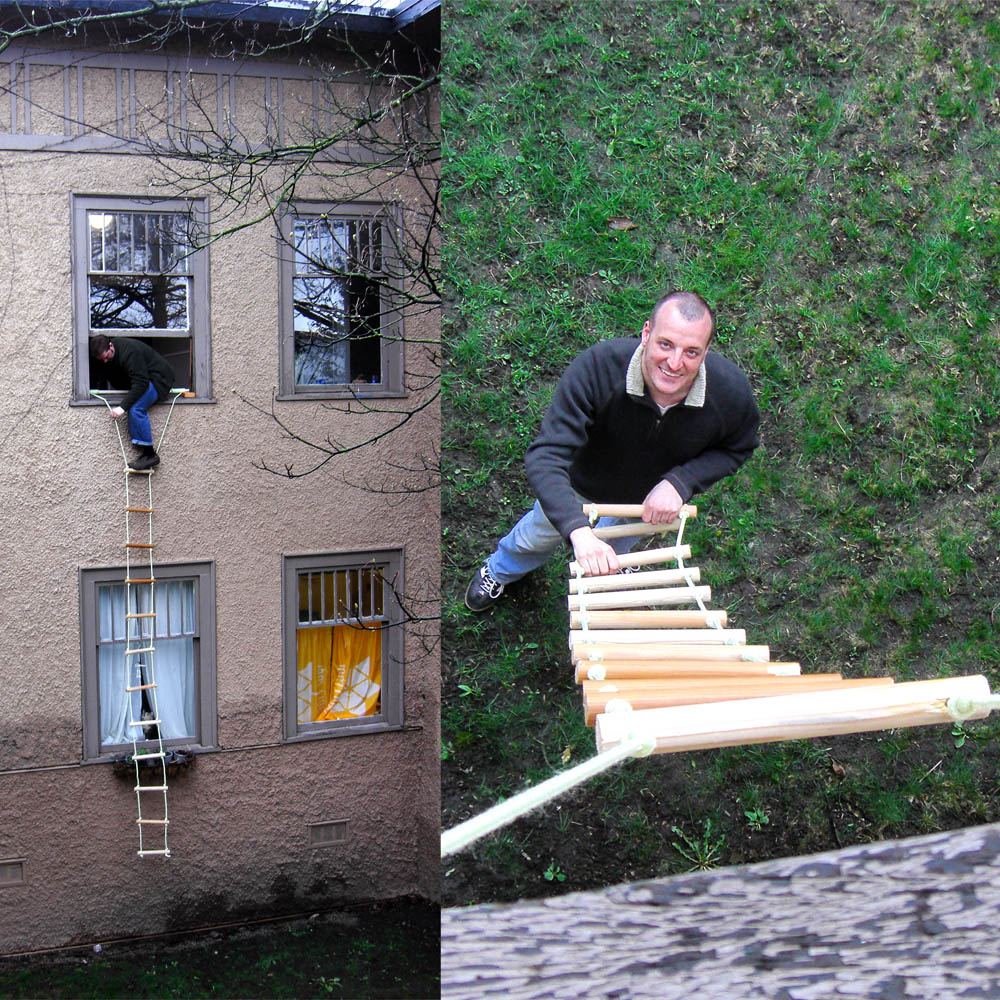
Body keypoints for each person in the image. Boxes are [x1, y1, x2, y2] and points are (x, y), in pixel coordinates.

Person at [464, 290, 760, 611]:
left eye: (691, 351)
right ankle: (501, 569)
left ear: (706, 351)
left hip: (646, 502)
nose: (675, 363)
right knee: (537, 535)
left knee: (619, 544)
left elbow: (738, 447)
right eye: (665, 344)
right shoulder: (597, 369)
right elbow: (546, 456)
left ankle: (615, 566)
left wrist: (681, 482)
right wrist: (577, 530)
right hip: (580, 487)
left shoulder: (730, 392)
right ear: (646, 333)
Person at [89, 334, 176, 471]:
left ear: (111, 346)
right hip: (145, 379)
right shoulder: (111, 354)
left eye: (106, 357)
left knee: (136, 408)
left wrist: (122, 407)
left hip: (159, 379)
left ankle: (150, 455)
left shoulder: (130, 353)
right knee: (133, 404)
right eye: (102, 360)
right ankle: (146, 455)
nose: (105, 361)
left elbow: (141, 384)